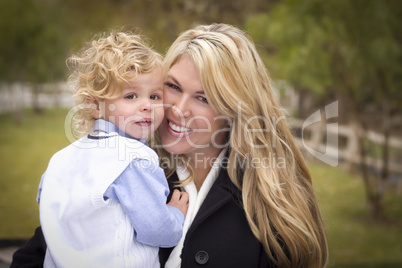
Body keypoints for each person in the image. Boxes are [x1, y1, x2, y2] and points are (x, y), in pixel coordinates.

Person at [11, 23, 328, 268]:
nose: (178, 109)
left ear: (234, 110)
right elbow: (38, 254)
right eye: (173, 87)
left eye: (203, 98)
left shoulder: (269, 197)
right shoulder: (120, 164)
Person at [35, 31, 188, 268]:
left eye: (155, 95)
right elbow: (158, 231)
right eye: (131, 95)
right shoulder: (132, 159)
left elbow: (49, 208)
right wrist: (176, 214)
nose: (147, 105)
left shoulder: (60, 160)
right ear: (95, 105)